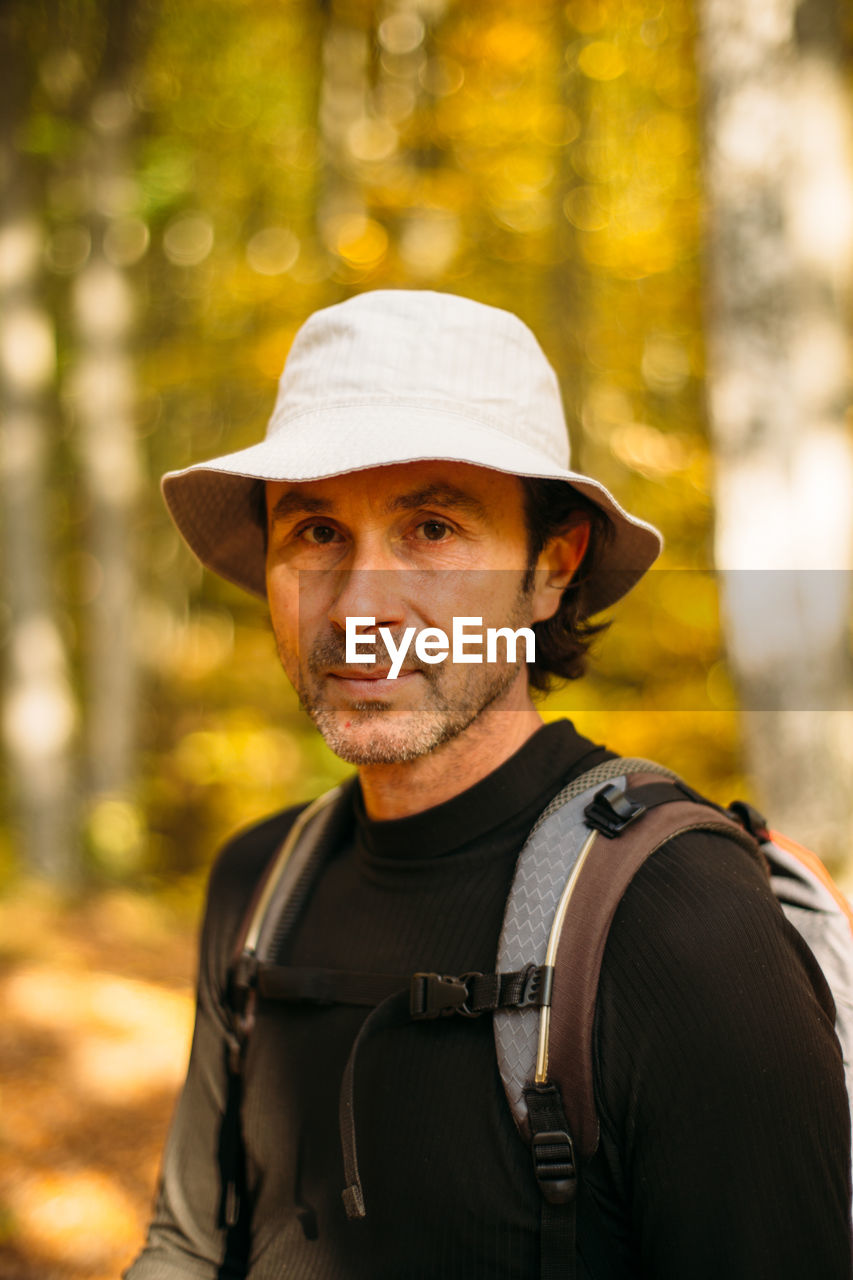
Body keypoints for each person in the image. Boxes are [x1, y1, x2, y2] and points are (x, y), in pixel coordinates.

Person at [126, 290, 852, 1280]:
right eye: (316, 532)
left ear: (551, 567)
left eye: (431, 527)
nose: (361, 607)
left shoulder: (677, 916)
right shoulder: (259, 883)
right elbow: (187, 1245)